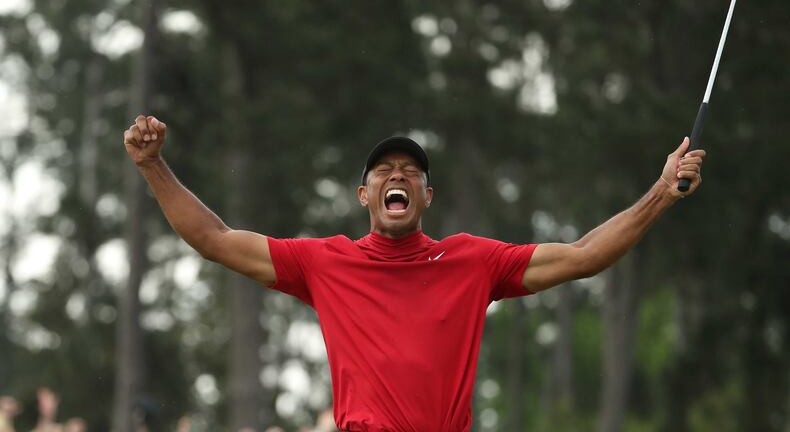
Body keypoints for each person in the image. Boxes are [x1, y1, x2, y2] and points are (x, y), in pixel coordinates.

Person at [123, 115, 704, 432]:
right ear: (364, 195)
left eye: (409, 171)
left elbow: (583, 256)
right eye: (382, 170)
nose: (394, 175)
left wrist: (660, 193)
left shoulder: (474, 260)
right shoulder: (325, 262)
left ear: (427, 194)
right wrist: (153, 166)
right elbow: (214, 239)